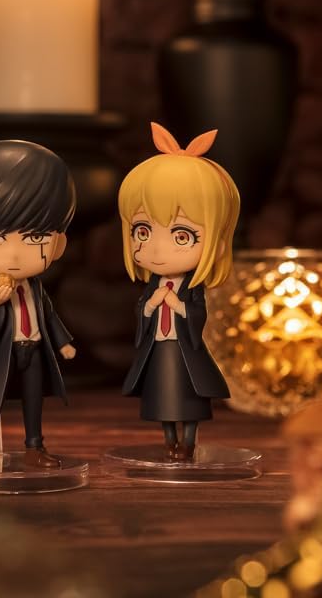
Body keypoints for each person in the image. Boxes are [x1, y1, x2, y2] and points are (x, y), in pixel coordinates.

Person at [0, 140, 78, 472]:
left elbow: (48, 316)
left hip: (33, 350)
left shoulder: (36, 287)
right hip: (1, 354)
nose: (15, 254)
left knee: (34, 401)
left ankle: (35, 447)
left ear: (59, 244)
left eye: (35, 238)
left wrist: (62, 343)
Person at [118, 123, 239, 461]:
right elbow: (141, 313)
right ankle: (169, 440)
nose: (157, 250)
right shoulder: (151, 288)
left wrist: (177, 304)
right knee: (161, 401)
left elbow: (199, 314)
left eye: (182, 236)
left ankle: (188, 442)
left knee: (189, 401)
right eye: (142, 231)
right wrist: (150, 306)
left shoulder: (192, 290)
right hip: (159, 351)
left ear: (217, 241)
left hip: (185, 352)